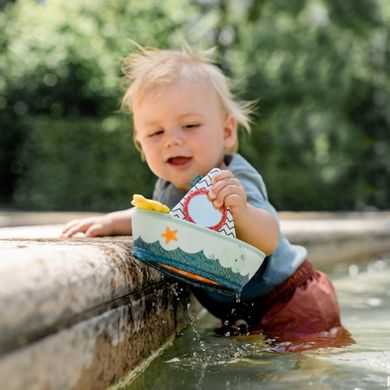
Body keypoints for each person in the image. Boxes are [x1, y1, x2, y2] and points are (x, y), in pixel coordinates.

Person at [62, 46, 349, 343]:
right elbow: (155, 216)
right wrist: (109, 223)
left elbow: (268, 239)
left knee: (304, 376)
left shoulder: (232, 180)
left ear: (226, 133)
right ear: (139, 142)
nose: (172, 140)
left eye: (190, 126)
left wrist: (242, 212)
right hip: (242, 311)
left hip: (291, 300)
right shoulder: (169, 186)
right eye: (155, 133)